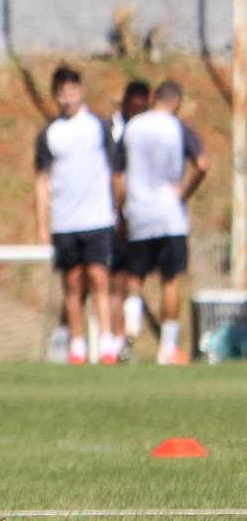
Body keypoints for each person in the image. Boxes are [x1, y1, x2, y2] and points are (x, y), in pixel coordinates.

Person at [114, 80, 207, 365]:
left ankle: (129, 335)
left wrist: (121, 211)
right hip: (169, 215)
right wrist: (185, 192)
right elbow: (202, 164)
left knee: (134, 278)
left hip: (138, 212)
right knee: (171, 280)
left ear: (154, 98)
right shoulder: (178, 128)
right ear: (176, 102)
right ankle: (167, 349)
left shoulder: (131, 128)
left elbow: (116, 176)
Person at [34, 64, 122, 366]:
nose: (67, 97)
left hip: (97, 218)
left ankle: (108, 343)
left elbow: (114, 173)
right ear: (56, 96)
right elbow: (41, 182)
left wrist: (117, 209)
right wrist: (42, 223)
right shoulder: (50, 134)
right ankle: (77, 346)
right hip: (66, 220)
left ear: (80, 91)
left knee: (99, 278)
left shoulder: (98, 127)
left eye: (72, 90)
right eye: (62, 92)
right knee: (72, 284)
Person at [104, 77, 152, 351]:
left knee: (128, 278)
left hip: (138, 214)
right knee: (109, 280)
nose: (137, 114)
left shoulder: (146, 130)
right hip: (110, 215)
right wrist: (116, 211)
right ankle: (110, 341)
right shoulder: (109, 129)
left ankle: (123, 341)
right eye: (133, 108)